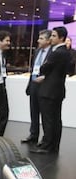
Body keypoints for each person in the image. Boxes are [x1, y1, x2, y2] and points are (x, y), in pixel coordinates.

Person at [31, 26, 71, 154]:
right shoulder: (66, 52)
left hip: (49, 90)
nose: (51, 38)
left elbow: (44, 68)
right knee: (55, 119)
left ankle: (47, 145)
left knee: (48, 119)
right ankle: (53, 144)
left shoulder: (57, 52)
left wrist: (44, 73)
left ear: (61, 38)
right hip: (57, 90)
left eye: (54, 36)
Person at [21, 30, 52, 144]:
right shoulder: (38, 51)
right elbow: (33, 69)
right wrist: (30, 84)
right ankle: (33, 134)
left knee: (44, 113)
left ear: (48, 40)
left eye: (42, 38)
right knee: (33, 111)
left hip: (45, 86)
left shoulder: (52, 53)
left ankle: (46, 138)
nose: (38, 40)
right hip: (34, 84)